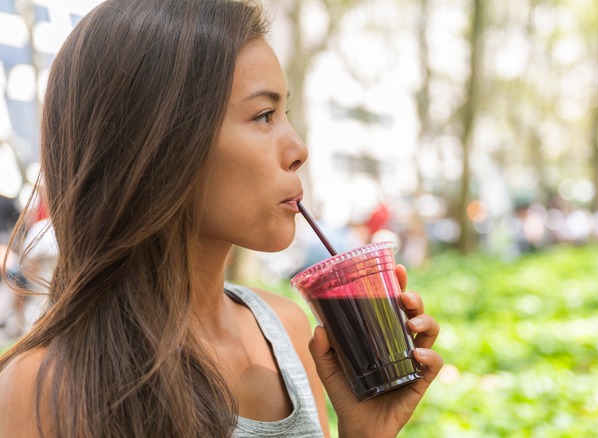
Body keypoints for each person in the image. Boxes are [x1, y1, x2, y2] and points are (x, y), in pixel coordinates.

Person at [0, 1, 443, 437]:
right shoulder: (43, 386)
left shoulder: (289, 331)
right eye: (264, 115)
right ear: (161, 144)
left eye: (284, 113)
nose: (299, 149)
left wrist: (366, 433)